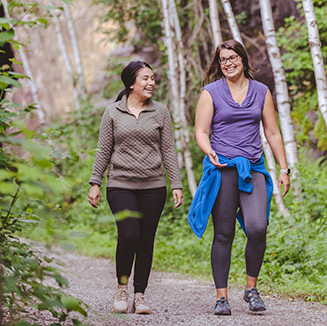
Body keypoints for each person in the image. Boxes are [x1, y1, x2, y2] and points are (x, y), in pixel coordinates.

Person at [188, 39, 290, 316]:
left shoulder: (261, 91)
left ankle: (251, 289)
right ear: (218, 64)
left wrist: (283, 168)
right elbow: (201, 131)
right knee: (224, 233)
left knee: (258, 227)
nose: (228, 63)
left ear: (243, 59)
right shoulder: (210, 92)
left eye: (232, 58)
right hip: (222, 169)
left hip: (253, 168)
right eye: (223, 60)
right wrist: (208, 150)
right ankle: (222, 297)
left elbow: (272, 133)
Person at [88, 61, 183, 315]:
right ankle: (122, 288)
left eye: (152, 78)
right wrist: (95, 181)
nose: (151, 82)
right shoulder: (112, 112)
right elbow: (104, 150)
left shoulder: (160, 111)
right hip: (120, 184)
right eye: (145, 78)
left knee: (146, 240)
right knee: (129, 234)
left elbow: (168, 151)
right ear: (131, 83)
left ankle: (139, 295)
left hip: (153, 185)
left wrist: (176, 183)